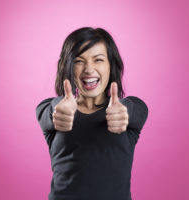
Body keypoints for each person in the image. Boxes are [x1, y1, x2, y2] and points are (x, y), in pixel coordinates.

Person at [35, 27, 148, 200]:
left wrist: (124, 112)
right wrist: (57, 110)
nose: (89, 69)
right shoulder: (55, 111)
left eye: (98, 60)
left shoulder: (126, 111)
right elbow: (48, 109)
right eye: (79, 61)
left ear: (111, 65)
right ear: (68, 67)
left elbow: (138, 109)